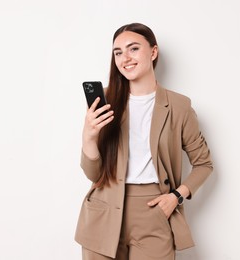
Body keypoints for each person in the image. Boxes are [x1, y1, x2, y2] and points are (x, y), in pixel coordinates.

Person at [75, 22, 213, 260]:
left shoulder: (179, 106)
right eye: (118, 52)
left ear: (153, 52)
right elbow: (93, 174)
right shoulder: (106, 99)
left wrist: (176, 196)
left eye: (133, 49)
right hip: (104, 210)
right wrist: (89, 135)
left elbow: (204, 164)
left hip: (154, 213)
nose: (124, 58)